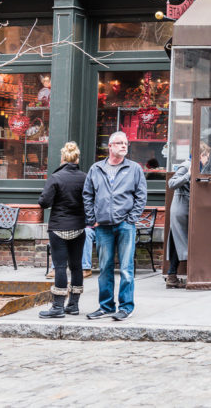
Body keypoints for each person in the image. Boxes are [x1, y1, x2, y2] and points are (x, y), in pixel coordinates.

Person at [83, 130, 148, 321]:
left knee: (126, 269)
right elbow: (87, 195)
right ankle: (106, 306)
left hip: (125, 225)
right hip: (102, 225)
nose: (124, 146)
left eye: (126, 143)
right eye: (119, 143)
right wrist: (91, 217)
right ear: (110, 147)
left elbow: (141, 195)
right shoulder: (96, 169)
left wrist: (132, 218)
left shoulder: (134, 168)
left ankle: (126, 307)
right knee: (105, 268)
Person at [37, 142, 87, 317]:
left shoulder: (56, 177)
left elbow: (44, 202)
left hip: (59, 227)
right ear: (77, 158)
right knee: (76, 266)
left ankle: (58, 306)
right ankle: (73, 304)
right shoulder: (84, 177)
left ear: (63, 158)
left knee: (60, 266)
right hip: (79, 227)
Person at [165, 142, 210, 288]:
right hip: (181, 209)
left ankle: (172, 276)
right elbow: (171, 183)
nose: (207, 160)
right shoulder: (187, 165)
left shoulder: (197, 166)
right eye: (207, 157)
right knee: (183, 242)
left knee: (177, 242)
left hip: (184, 209)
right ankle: (190, 276)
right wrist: (189, 175)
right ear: (201, 155)